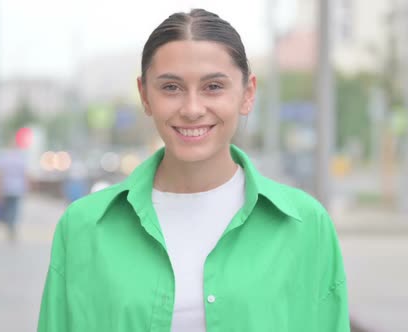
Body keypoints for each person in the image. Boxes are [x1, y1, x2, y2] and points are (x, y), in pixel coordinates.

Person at [38, 9, 349, 331]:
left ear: (248, 94)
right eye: (171, 88)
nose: (192, 109)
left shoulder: (305, 225)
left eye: (213, 86)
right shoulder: (83, 227)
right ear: (145, 96)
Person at [0, 138, 30, 241]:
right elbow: (25, 174)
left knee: (8, 208)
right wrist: (27, 187)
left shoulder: (4, 157)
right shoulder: (21, 157)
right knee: (14, 209)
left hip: (6, 188)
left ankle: (10, 225)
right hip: (17, 188)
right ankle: (11, 226)